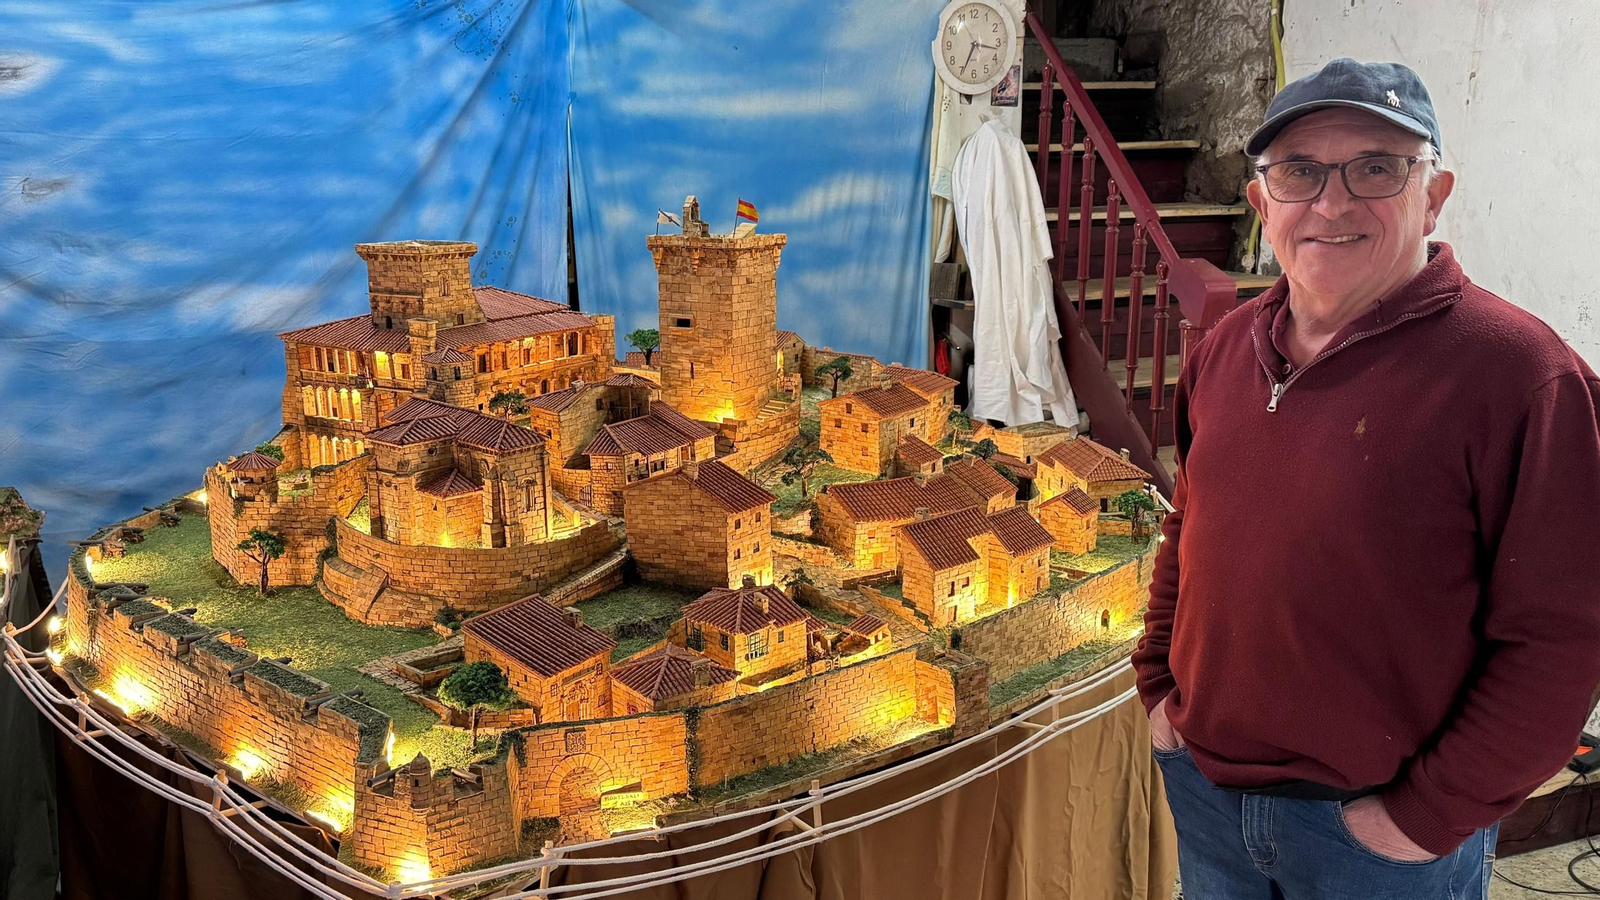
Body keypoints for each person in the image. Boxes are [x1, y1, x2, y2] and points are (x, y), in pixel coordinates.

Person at [1133, 57, 1600, 899]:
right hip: (1206, 795)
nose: (1333, 202)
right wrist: (1159, 688)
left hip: (1377, 842)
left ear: (1435, 193)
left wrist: (1418, 821)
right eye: (1299, 172)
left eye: (1378, 168)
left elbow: (1563, 639)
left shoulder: (1523, 376)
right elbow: (1188, 527)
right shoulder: (1223, 352)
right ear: (1261, 203)